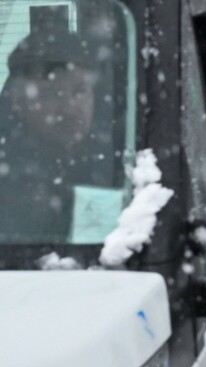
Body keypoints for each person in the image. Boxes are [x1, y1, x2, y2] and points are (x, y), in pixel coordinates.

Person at [0, 28, 108, 244]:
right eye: (51, 95)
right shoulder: (7, 174)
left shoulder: (120, 157)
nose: (69, 108)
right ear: (17, 102)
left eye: (79, 91)